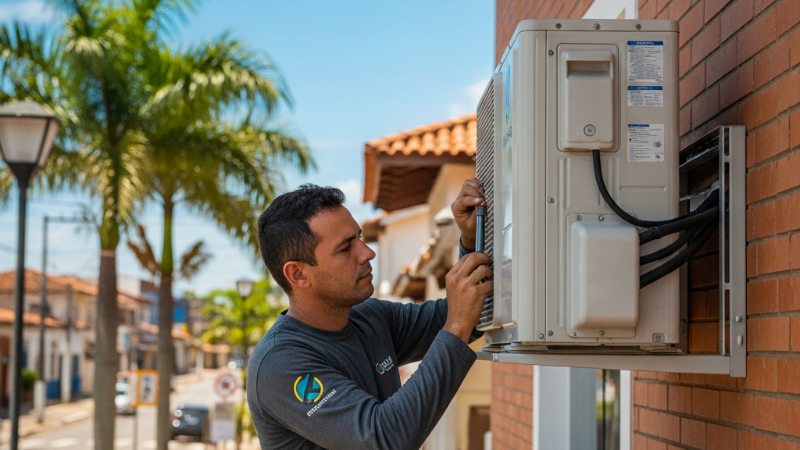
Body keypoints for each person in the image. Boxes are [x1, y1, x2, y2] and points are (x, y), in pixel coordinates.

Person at [247, 179, 491, 450]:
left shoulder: (372, 318)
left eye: (359, 237)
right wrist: (456, 325)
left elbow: (471, 313)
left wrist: (472, 240)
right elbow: (383, 440)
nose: (367, 252)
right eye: (345, 247)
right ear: (298, 274)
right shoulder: (279, 363)